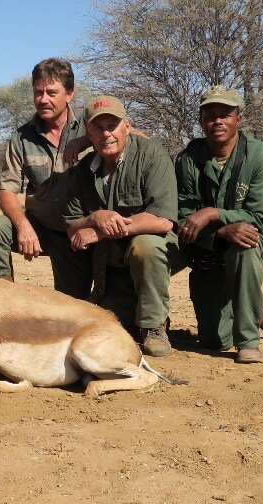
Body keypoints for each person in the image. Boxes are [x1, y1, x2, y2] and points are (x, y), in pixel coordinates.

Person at [64, 95, 179, 357]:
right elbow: (71, 224)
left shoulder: (152, 155)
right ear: (89, 134)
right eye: (98, 128)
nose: (106, 134)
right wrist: (94, 218)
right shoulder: (84, 169)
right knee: (109, 328)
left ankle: (154, 326)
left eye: (112, 125)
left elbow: (162, 219)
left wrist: (98, 231)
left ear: (127, 126)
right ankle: (130, 306)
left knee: (145, 245)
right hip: (112, 263)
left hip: (155, 251)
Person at [174, 86, 263, 364]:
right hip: (208, 238)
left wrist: (213, 213)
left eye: (225, 115)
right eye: (210, 116)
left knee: (243, 249)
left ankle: (248, 341)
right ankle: (254, 300)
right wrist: (219, 228)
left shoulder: (261, 155)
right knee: (213, 340)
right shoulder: (187, 158)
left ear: (238, 120)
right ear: (201, 121)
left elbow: (258, 216)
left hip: (253, 233)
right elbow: (182, 209)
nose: (217, 121)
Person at [0, 58, 94, 299]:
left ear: (70, 94)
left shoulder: (91, 122)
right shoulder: (21, 137)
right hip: (39, 226)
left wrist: (88, 139)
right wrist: (23, 226)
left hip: (78, 231)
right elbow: (6, 190)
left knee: (71, 307)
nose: (43, 99)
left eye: (52, 92)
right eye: (38, 92)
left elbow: (131, 134)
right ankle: (4, 302)